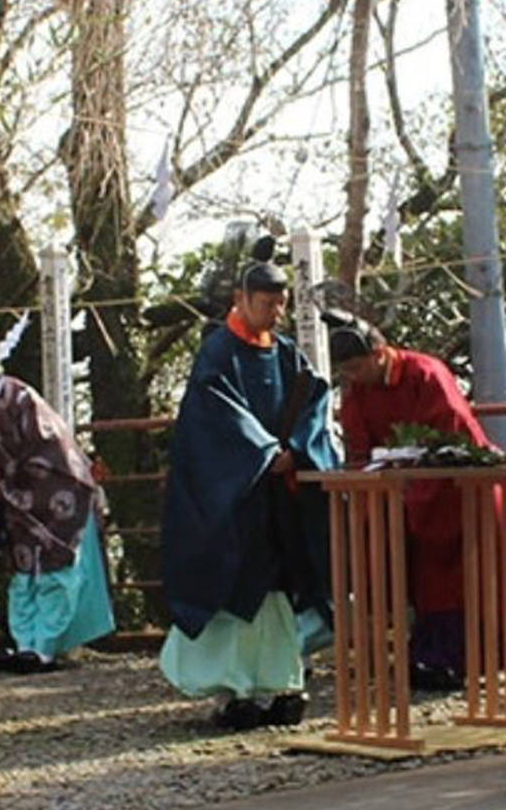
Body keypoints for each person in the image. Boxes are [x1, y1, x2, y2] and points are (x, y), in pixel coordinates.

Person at [158, 260, 340, 730]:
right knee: (233, 588)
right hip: (234, 496)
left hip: (275, 496)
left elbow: (314, 399)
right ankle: (234, 692)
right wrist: (262, 453)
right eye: (268, 303)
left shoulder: (284, 353)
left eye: (281, 303)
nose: (277, 312)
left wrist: (298, 450)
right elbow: (213, 419)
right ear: (241, 300)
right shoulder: (217, 353)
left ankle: (280, 683)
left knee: (277, 591)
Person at [329, 312, 501, 692]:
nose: (353, 377)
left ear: (379, 354)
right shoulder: (357, 391)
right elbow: (359, 446)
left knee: (459, 577)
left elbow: (452, 434)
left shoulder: (425, 373)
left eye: (357, 367)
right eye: (347, 371)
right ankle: (427, 655)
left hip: (451, 490)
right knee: (419, 577)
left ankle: (460, 658)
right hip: (404, 492)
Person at [0, 345, 116, 674]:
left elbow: (50, 447)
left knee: (55, 573)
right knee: (24, 573)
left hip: (56, 492)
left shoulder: (21, 398)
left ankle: (44, 648)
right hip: (15, 496)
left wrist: (9, 482)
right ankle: (26, 644)